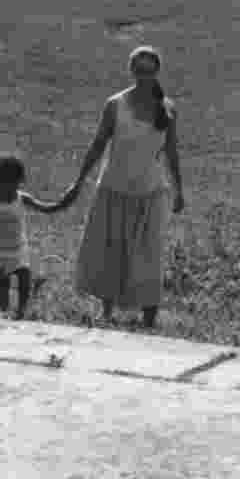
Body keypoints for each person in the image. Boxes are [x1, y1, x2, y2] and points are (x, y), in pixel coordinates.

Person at [63, 45, 184, 329]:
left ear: (157, 72)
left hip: (151, 191)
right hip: (114, 187)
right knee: (111, 249)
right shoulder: (115, 104)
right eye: (139, 71)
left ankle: (149, 318)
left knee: (150, 253)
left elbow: (172, 152)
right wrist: (78, 181)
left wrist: (179, 190)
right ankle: (106, 313)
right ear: (132, 72)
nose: (144, 76)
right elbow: (97, 145)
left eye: (149, 71)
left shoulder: (167, 108)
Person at [0, 154, 70, 319]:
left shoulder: (22, 198)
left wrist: (61, 204)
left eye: (10, 183)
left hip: (18, 249)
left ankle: (21, 311)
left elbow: (45, 208)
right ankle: (3, 312)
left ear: (18, 182)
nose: (5, 187)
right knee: (3, 284)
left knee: (24, 277)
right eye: (0, 182)